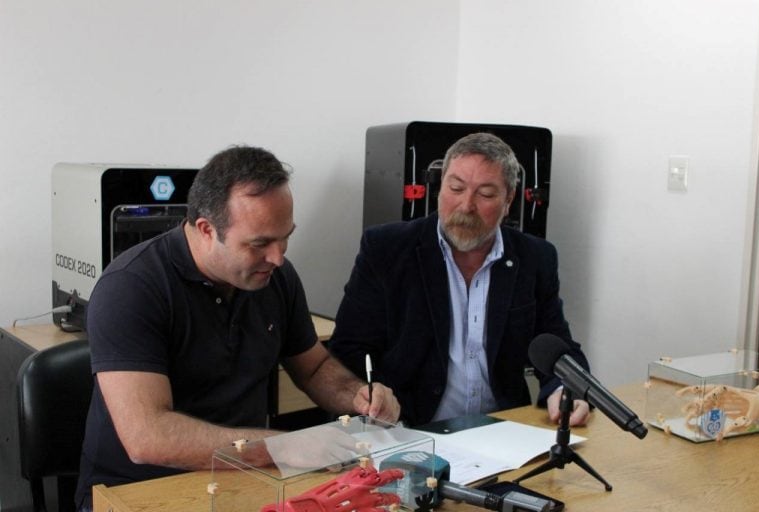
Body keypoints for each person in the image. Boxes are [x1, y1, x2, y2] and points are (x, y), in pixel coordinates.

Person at [75, 145, 400, 510]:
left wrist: (356, 394)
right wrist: (282, 447)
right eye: (260, 243)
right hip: (139, 492)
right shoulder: (131, 287)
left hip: (244, 478)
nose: (278, 257)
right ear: (206, 229)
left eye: (285, 237)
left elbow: (315, 368)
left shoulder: (275, 277)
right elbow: (148, 438)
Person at [328, 132, 591, 427]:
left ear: (509, 200)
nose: (466, 206)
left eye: (486, 194)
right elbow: (348, 350)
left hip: (502, 430)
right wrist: (372, 393)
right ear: (440, 188)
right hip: (409, 429)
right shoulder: (387, 249)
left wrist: (565, 388)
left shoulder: (535, 257)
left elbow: (557, 346)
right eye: (456, 188)